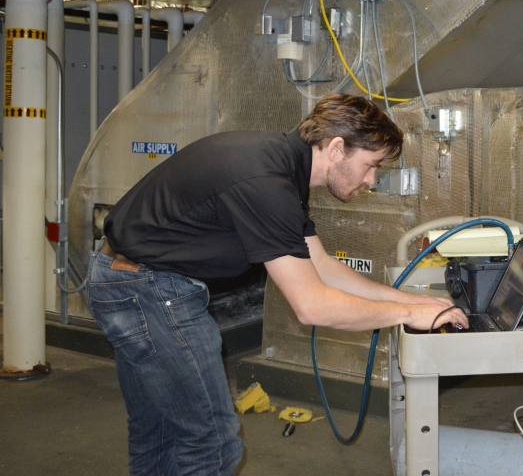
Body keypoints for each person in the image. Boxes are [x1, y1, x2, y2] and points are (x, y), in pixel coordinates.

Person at [87, 93, 467, 476]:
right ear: (337, 149)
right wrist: (406, 314)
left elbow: (320, 266)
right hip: (149, 291)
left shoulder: (279, 166)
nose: (370, 181)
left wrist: (412, 300)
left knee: (160, 434)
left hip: (126, 280)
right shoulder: (267, 183)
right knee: (212, 446)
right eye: (370, 166)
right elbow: (312, 306)